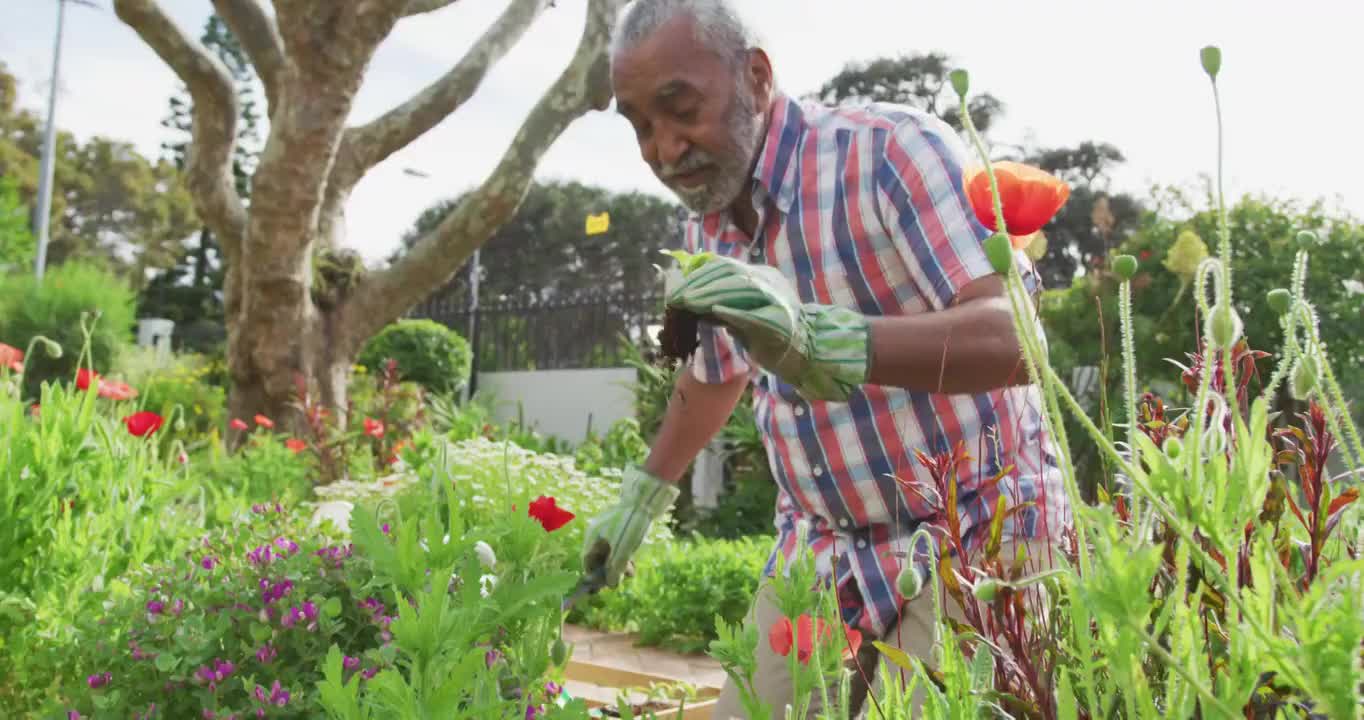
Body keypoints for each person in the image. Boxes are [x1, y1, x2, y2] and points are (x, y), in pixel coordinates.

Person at [579, 0, 1070, 717]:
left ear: (754, 77)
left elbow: (1018, 339)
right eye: (640, 127)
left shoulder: (889, 155)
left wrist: (829, 342)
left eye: (679, 110)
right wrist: (640, 499)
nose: (662, 149)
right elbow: (714, 372)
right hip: (822, 546)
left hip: (978, 530)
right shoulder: (708, 222)